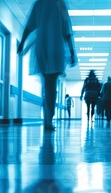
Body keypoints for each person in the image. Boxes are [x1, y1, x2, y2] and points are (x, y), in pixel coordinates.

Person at [17, 0, 77, 131]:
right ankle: (48, 119)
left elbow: (29, 26)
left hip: (42, 48)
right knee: (51, 87)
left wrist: (22, 43)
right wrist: (72, 52)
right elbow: (67, 31)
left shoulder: (39, 3)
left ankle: (47, 118)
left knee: (47, 87)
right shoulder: (60, 4)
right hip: (56, 49)